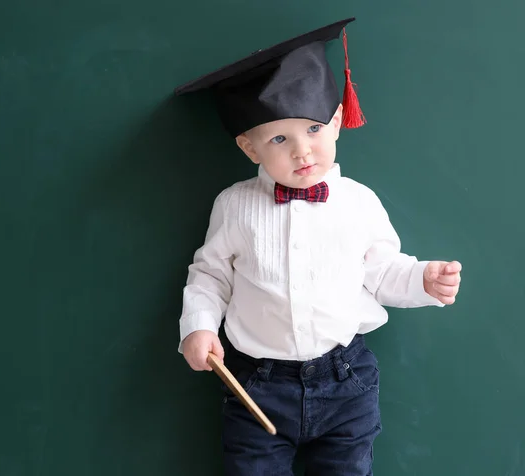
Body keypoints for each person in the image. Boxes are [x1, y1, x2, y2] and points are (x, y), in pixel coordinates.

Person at [174, 17, 462, 476]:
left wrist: (421, 279)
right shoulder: (233, 206)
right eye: (279, 138)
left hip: (345, 380)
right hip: (258, 382)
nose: (301, 152)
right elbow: (210, 275)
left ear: (335, 124)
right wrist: (198, 326)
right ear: (251, 149)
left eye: (312, 130)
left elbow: (382, 271)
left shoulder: (359, 202)